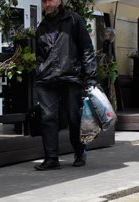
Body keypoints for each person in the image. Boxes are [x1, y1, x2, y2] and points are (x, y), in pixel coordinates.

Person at [33, 0, 97, 171]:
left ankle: (79, 151)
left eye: (50, 0)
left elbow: (86, 49)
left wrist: (91, 76)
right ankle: (51, 158)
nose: (47, 4)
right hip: (46, 79)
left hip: (70, 77)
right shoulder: (41, 27)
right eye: (44, 1)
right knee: (48, 119)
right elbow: (39, 54)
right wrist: (39, 69)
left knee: (74, 118)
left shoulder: (74, 20)